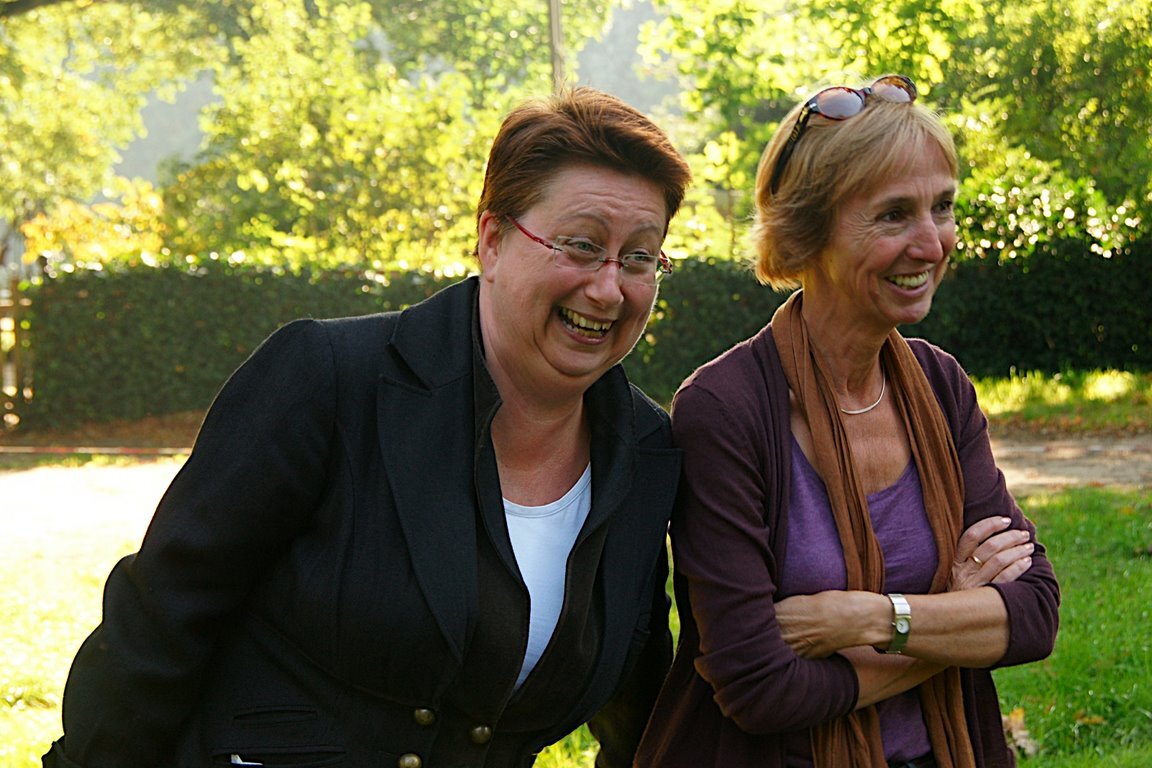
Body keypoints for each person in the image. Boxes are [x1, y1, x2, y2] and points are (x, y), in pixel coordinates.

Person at [45, 86, 692, 768]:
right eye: (581, 246)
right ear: (493, 240)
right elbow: (156, 629)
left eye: (639, 257)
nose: (609, 288)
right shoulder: (327, 381)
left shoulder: (646, 450)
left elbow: (642, 704)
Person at [635, 75, 1060, 768]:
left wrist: (867, 618)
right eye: (893, 215)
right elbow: (759, 685)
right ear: (807, 233)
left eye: (942, 207)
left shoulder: (940, 385)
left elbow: (1035, 613)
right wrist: (951, 620)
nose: (932, 244)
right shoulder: (725, 409)